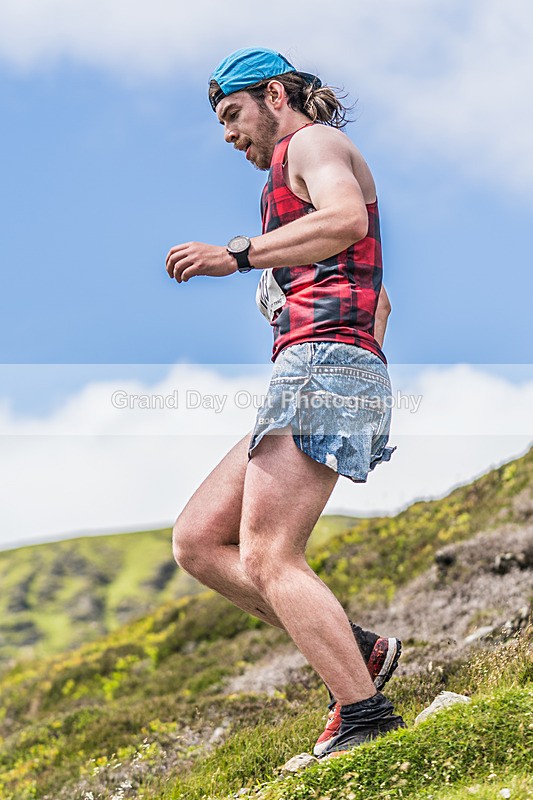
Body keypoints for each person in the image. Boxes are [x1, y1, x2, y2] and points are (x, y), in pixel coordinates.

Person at [166, 47, 405, 757]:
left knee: (270, 553)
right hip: (316, 367)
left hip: (322, 366)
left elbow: (345, 222)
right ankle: (352, 649)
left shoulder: (313, 143)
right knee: (199, 541)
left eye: (232, 115)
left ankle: (364, 718)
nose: (228, 135)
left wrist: (237, 255)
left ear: (274, 94)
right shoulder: (281, 174)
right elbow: (379, 297)